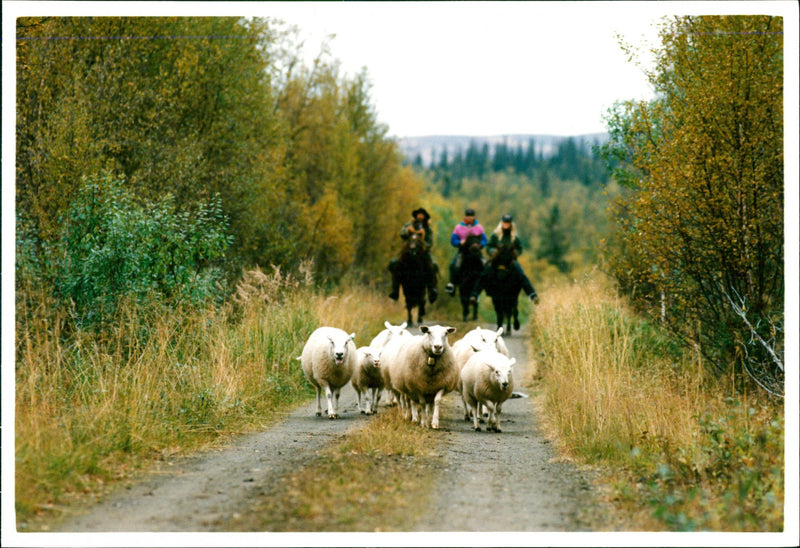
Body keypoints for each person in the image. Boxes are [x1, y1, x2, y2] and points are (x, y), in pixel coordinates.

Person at [475, 213, 538, 302]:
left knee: (521, 274)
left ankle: (532, 295)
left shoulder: (514, 237)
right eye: (504, 223)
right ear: (502, 223)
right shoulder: (495, 235)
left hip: (510, 261)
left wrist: (516, 253)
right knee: (484, 273)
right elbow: (488, 246)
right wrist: (493, 251)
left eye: (508, 223)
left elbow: (519, 248)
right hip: (496, 260)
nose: (506, 225)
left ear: (511, 224)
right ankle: (475, 294)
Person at [389, 207, 438, 302]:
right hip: (407, 250)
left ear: (425, 217)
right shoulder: (408, 224)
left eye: (422, 215)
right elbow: (402, 233)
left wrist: (422, 245)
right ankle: (395, 291)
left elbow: (430, 242)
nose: (420, 216)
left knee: (433, 266)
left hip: (422, 252)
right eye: (418, 214)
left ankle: (432, 290)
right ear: (416, 216)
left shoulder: (428, 228)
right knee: (394, 264)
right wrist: (407, 231)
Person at [445, 208, 487, 296]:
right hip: (463, 251)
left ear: (474, 217)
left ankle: (488, 285)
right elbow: (453, 240)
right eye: (468, 216)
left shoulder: (479, 227)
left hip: (476, 252)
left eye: (471, 216)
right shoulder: (458, 227)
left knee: (486, 265)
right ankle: (452, 285)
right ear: (465, 217)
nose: (469, 218)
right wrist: (460, 242)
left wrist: (480, 245)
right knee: (454, 265)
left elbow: (484, 240)